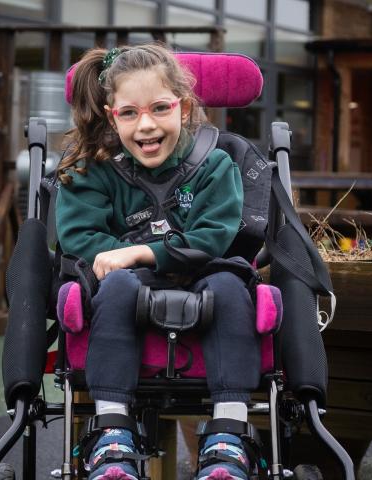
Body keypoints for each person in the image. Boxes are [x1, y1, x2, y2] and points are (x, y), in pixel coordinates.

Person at [55, 44, 261, 480]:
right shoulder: (94, 169)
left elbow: (213, 236)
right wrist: (130, 260)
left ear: (184, 109)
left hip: (205, 276)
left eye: (160, 108)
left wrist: (139, 250)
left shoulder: (216, 164)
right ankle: (112, 433)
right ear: (112, 117)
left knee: (230, 286)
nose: (145, 125)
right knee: (116, 286)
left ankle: (229, 433)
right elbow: (78, 236)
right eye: (129, 113)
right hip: (124, 286)